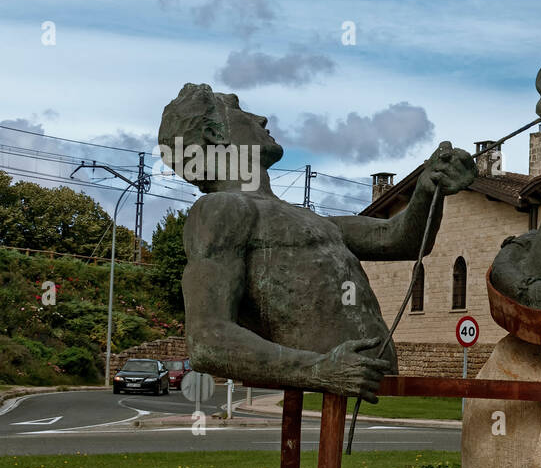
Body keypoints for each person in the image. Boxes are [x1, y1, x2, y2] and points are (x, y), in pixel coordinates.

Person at [159, 83, 475, 403]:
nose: (262, 118)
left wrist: (427, 187)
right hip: (331, 400)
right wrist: (319, 370)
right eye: (240, 111)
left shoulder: (303, 219)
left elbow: (400, 239)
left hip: (366, 396)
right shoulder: (220, 210)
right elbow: (206, 339)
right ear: (215, 135)